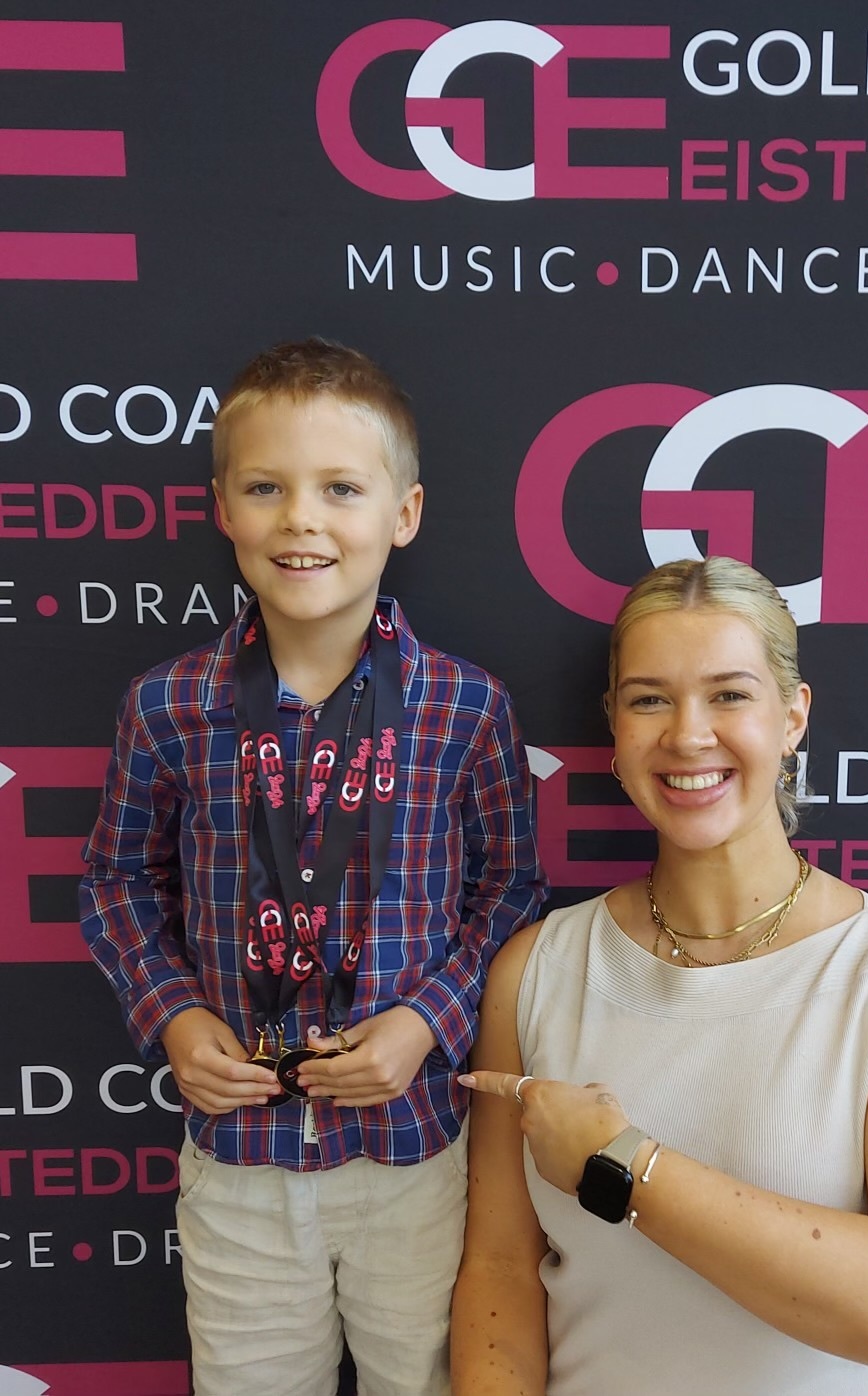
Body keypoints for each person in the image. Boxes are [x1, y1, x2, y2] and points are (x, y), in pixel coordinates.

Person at [80, 337, 546, 1396]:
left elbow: (512, 890)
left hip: (415, 1150)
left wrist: (426, 1019)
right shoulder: (166, 705)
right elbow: (115, 882)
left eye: (340, 487)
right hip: (240, 1159)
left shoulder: (468, 707)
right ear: (223, 509)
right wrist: (175, 1018)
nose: (301, 518)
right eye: (266, 487)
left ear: (403, 513)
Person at [451, 556, 868, 1396]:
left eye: (728, 695)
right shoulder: (535, 970)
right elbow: (498, 1274)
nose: (687, 735)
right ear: (613, 726)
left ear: (792, 716)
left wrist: (619, 1165)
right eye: (649, 699)